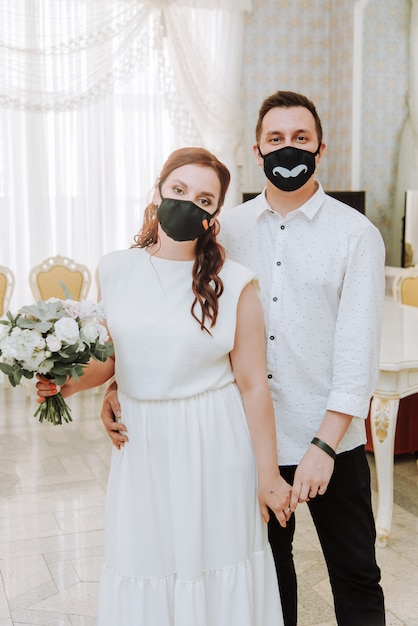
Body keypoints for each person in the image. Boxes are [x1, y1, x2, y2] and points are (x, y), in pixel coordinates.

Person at [102, 92, 387, 626]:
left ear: (321, 147)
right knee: (267, 576)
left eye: (300, 138)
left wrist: (324, 445)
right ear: (256, 150)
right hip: (243, 440)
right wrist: (117, 386)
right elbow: (168, 317)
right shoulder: (221, 228)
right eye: (275, 139)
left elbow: (357, 353)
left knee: (354, 573)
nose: (287, 148)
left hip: (328, 441)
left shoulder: (356, 236)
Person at [36, 147, 292, 626]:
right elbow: (111, 357)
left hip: (213, 439)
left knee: (215, 561)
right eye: (179, 190)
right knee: (144, 560)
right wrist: (67, 385)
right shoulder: (115, 268)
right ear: (157, 191)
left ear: (214, 215)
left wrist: (268, 475)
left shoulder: (234, 284)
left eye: (204, 198)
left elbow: (254, 384)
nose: (188, 203)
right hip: (144, 443)